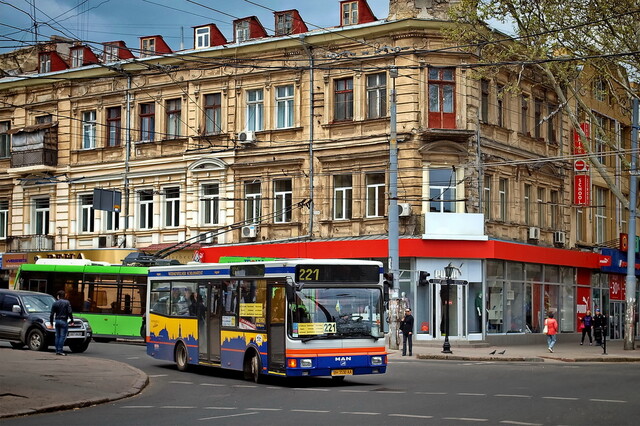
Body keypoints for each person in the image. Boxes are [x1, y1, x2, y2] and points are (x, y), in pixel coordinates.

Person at [50, 290, 74, 356]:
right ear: (64, 295)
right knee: (62, 336)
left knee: (57, 336)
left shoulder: (55, 303)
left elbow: (52, 314)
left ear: (58, 296)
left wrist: (51, 322)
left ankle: (57, 350)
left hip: (57, 320)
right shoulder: (67, 302)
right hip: (63, 321)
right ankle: (60, 350)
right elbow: (70, 312)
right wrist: (72, 320)